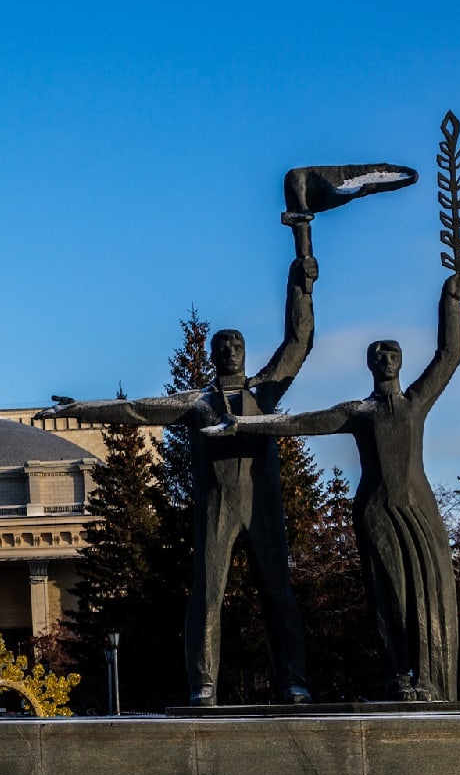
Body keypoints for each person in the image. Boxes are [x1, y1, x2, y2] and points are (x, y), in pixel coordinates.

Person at [38, 251, 319, 705]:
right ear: (211, 354)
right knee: (207, 594)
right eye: (221, 345)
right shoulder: (198, 402)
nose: (228, 350)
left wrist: (300, 286)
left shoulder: (265, 391)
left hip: (263, 505)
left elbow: (299, 342)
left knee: (278, 592)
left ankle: (293, 681)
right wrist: (78, 410)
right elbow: (134, 409)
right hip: (216, 508)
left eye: (236, 344)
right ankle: (203, 685)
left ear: (244, 353)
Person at [209, 270, 460, 701]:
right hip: (376, 509)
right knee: (388, 593)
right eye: (378, 353)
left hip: (419, 509)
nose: (385, 358)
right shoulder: (358, 411)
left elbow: (449, 355)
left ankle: (432, 679)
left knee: (430, 589)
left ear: (401, 361)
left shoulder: (415, 402)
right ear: (370, 363)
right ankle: (398, 676)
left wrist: (452, 301)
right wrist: (245, 422)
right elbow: (299, 422)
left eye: (392, 352)